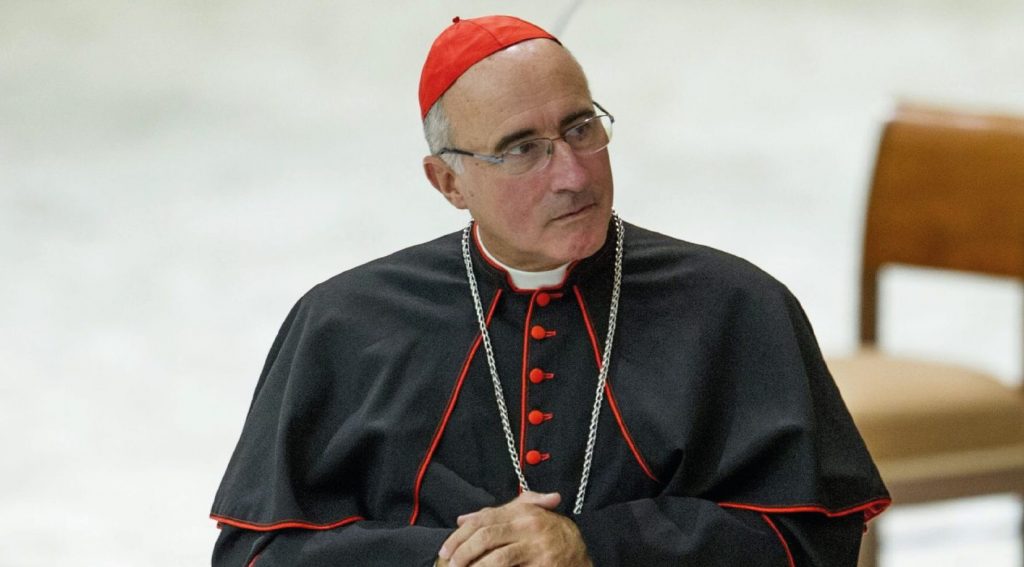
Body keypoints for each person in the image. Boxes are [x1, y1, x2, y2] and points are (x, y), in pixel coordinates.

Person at [210, 14, 889, 566]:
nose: (572, 174)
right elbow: (257, 553)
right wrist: (453, 559)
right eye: (521, 148)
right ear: (448, 182)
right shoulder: (343, 322)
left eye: (580, 128)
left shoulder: (737, 305)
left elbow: (811, 543)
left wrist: (598, 546)